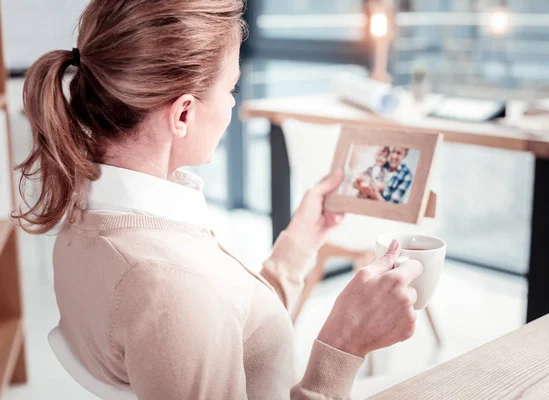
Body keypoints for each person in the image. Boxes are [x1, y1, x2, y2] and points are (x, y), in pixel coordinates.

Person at [13, 1, 422, 399]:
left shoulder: (88, 217)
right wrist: (343, 346)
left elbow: (229, 333)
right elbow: (191, 307)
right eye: (231, 88)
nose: (231, 103)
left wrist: (298, 245)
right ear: (183, 114)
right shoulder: (170, 283)